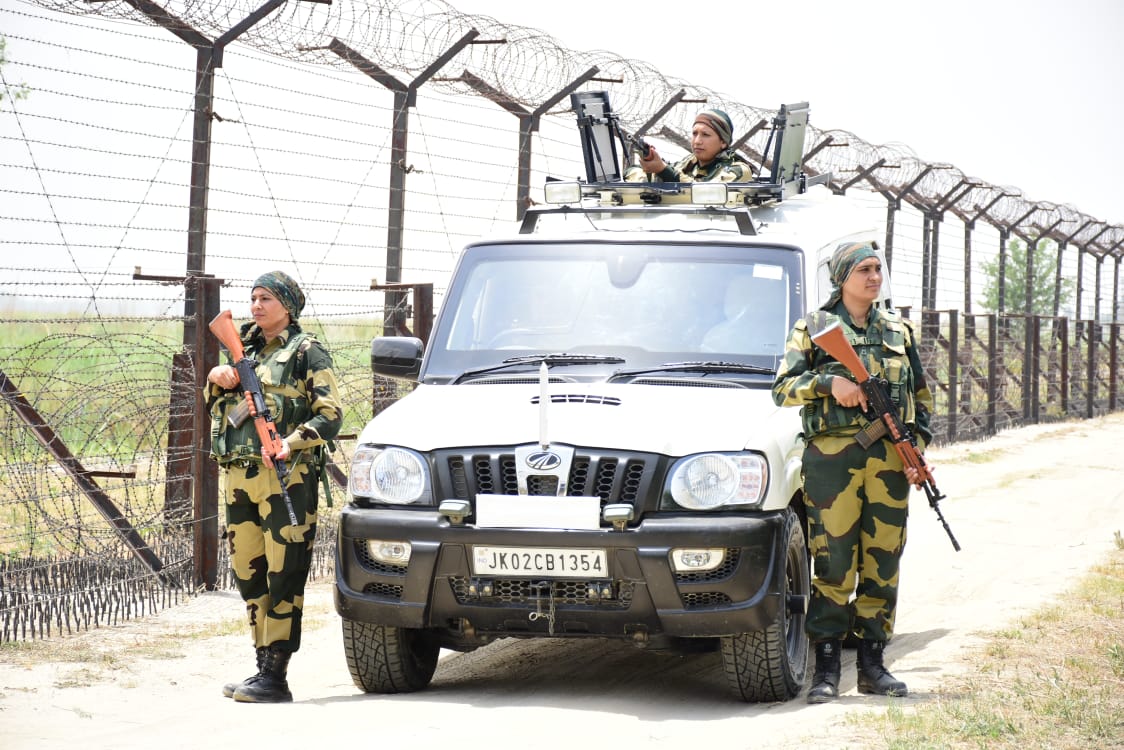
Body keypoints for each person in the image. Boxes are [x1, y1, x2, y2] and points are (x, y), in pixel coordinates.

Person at [771, 241, 934, 704]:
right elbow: (782, 389)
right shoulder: (814, 329)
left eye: (878, 269)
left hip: (888, 465)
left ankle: (872, 666)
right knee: (833, 565)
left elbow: (921, 401)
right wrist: (829, 382)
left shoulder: (898, 331)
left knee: (882, 563)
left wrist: (915, 452)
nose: (873, 277)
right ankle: (826, 671)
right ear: (843, 277)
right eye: (863, 269)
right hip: (832, 464)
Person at [205, 271, 342, 703]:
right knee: (248, 571)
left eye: (266, 298)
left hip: (288, 477)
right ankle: (262, 664)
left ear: (287, 305)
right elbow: (214, 407)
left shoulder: (306, 351)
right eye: (253, 298)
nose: (257, 306)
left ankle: (276, 675)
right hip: (239, 477)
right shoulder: (241, 348)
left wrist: (289, 441)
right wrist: (217, 377)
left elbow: (331, 414)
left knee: (285, 572)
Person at [625, 108, 754, 183]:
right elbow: (630, 173)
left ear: (723, 142)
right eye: (694, 133)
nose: (697, 141)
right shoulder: (688, 164)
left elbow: (707, 193)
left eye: (705, 135)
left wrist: (663, 170)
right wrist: (651, 164)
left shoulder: (738, 170)